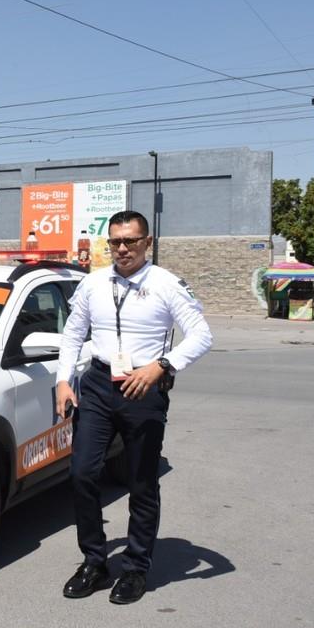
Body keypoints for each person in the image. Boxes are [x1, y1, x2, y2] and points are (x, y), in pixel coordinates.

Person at [55, 210, 213, 605]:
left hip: (144, 389)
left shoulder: (166, 284)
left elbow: (202, 335)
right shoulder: (93, 284)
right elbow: (73, 334)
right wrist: (62, 380)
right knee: (82, 474)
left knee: (141, 482)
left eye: (131, 241)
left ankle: (136, 568)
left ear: (147, 243)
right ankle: (94, 561)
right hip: (97, 385)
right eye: (116, 242)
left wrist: (161, 366)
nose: (122, 249)